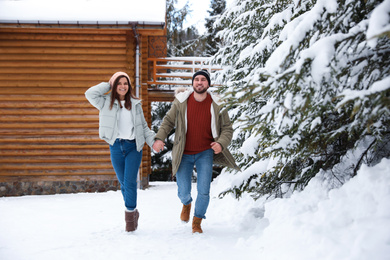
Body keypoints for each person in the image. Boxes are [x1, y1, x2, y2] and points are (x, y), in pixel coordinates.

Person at [153, 69, 239, 234]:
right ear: (193, 83)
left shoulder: (217, 103)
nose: (200, 82)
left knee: (204, 190)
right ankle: (186, 203)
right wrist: (159, 138)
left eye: (203, 80)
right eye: (197, 79)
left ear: (208, 84)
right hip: (183, 153)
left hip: (205, 153)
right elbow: (168, 122)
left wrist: (221, 143)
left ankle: (197, 221)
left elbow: (227, 128)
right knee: (183, 190)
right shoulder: (181, 102)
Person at [85, 71, 156, 232]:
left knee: (130, 182)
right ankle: (133, 213)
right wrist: (108, 84)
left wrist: (153, 142)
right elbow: (89, 93)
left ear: (129, 86)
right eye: (119, 83)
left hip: (133, 147)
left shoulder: (135, 104)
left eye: (125, 83)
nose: (122, 86)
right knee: (124, 184)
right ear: (114, 85)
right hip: (116, 146)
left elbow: (143, 127)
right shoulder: (104, 102)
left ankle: (130, 220)